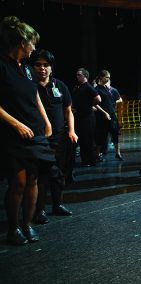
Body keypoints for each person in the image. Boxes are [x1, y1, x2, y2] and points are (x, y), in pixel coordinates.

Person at [0, 16, 54, 245]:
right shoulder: (2, 66)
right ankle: (13, 228)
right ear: (22, 42)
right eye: (32, 42)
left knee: (33, 179)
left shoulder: (27, 70)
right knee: (18, 182)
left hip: (34, 129)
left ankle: (27, 224)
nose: (34, 46)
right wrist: (16, 124)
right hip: (14, 132)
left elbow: (35, 97)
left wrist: (46, 121)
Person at [31, 49, 76, 224]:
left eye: (46, 65)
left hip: (59, 137)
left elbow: (68, 110)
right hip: (38, 138)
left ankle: (57, 205)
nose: (42, 68)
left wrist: (71, 130)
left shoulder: (60, 85)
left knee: (58, 173)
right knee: (42, 174)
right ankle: (39, 210)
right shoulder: (29, 86)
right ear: (33, 67)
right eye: (38, 65)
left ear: (51, 68)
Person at [72, 68, 101, 166]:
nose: (77, 76)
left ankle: (91, 160)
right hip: (79, 116)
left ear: (85, 76)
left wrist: (89, 105)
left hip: (87, 117)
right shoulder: (77, 87)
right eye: (76, 74)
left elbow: (98, 99)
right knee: (82, 140)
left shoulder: (88, 87)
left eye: (79, 74)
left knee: (88, 139)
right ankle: (85, 160)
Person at [94, 70, 123, 161]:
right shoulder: (96, 89)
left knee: (115, 133)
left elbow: (117, 100)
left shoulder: (110, 89)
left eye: (109, 77)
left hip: (111, 114)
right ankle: (97, 154)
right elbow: (95, 103)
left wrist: (113, 104)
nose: (108, 79)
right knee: (101, 136)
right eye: (107, 77)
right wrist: (104, 113)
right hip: (101, 116)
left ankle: (118, 153)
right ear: (101, 77)